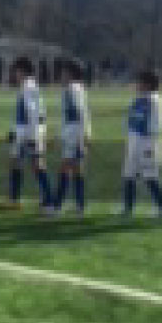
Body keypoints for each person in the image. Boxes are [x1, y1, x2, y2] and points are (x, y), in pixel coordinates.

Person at [3, 57, 53, 212]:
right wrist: (13, 131)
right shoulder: (28, 86)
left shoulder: (28, 87)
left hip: (29, 132)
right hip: (25, 132)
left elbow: (32, 113)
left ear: (22, 71)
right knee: (16, 163)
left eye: (16, 71)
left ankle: (47, 200)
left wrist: (32, 137)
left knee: (37, 165)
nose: (14, 74)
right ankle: (14, 199)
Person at [121, 68, 162, 218]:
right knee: (129, 174)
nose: (137, 84)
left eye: (140, 82)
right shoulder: (138, 99)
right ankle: (128, 208)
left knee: (150, 175)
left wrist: (148, 135)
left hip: (147, 143)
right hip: (134, 141)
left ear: (147, 84)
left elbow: (159, 123)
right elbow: (132, 118)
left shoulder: (154, 100)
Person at [54, 58, 92, 215]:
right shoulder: (76, 89)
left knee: (65, 168)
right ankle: (79, 206)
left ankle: (57, 206)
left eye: (64, 72)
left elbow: (79, 114)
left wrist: (80, 138)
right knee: (76, 169)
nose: (61, 75)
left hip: (73, 134)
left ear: (70, 73)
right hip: (74, 133)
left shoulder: (72, 89)